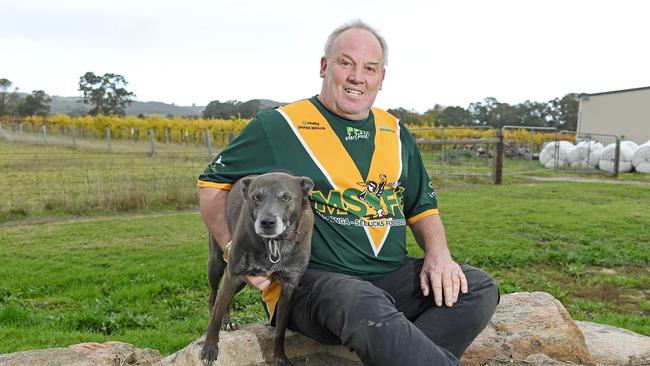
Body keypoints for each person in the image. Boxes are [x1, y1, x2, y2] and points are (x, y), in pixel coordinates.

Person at [197, 20, 499, 366]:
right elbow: (211, 186)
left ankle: (400, 352)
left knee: (476, 287)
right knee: (360, 299)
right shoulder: (279, 125)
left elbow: (422, 207)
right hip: (314, 285)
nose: (358, 76)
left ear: (381, 78)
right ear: (325, 67)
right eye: (346, 63)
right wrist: (234, 249)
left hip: (391, 278)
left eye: (369, 68)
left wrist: (440, 255)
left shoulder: (395, 131)